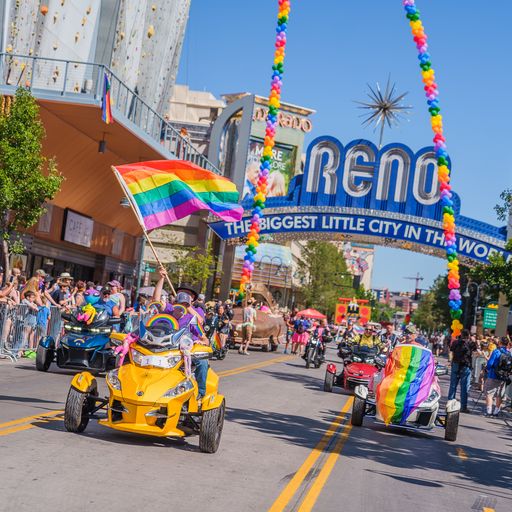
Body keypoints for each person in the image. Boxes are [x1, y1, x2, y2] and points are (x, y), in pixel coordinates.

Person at [448, 329, 477, 413]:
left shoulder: (456, 342)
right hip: (466, 366)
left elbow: (451, 351)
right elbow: (475, 351)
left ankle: (450, 404)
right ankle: (463, 407)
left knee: (453, 385)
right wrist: (474, 340)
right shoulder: (471, 343)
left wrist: (451, 362)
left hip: (456, 364)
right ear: (468, 336)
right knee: (464, 387)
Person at [484, 337, 511, 417]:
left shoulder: (496, 351)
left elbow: (490, 364)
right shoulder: (509, 353)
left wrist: (487, 369)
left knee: (489, 393)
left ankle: (489, 411)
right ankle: (496, 412)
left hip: (493, 375)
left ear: (500, 343)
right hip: (503, 377)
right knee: (500, 394)